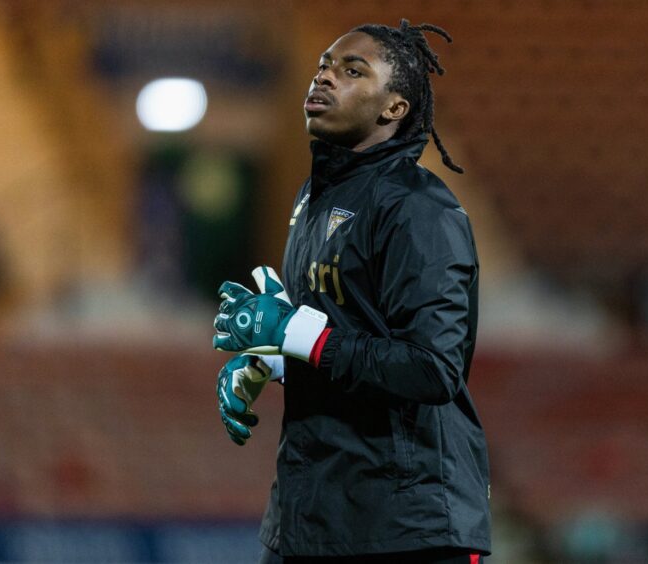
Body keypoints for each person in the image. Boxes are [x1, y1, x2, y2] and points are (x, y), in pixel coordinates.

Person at [213, 20, 491, 564]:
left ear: (394, 108)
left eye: (351, 70)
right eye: (323, 65)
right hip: (311, 517)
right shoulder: (313, 201)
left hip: (407, 530)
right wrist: (269, 360)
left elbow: (433, 368)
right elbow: (343, 340)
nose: (323, 77)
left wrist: (295, 333)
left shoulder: (420, 209)